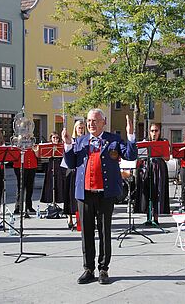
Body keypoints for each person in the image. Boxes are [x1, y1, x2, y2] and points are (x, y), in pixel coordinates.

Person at [63, 108, 137, 285]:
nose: (91, 124)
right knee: (86, 233)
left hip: (105, 194)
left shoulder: (113, 140)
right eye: (89, 120)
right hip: (85, 193)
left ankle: (103, 268)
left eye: (95, 120)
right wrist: (67, 145)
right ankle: (88, 269)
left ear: (104, 122)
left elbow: (131, 155)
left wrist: (131, 135)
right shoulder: (80, 141)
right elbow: (71, 163)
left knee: (104, 231)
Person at [135, 123, 170, 224]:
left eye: (156, 131)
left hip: (159, 168)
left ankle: (156, 218)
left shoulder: (163, 142)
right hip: (147, 167)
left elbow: (167, 158)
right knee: (147, 191)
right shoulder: (146, 142)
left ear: (159, 132)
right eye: (152, 131)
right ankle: (148, 217)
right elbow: (140, 156)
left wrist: (160, 152)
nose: (154, 133)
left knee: (158, 191)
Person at [63, 120, 86, 229]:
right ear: (75, 129)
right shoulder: (71, 140)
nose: (81, 130)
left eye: (82, 127)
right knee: (70, 194)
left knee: (80, 196)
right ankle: (70, 217)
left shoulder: (86, 140)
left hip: (81, 171)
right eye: (79, 128)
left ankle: (80, 220)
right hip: (71, 171)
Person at [40, 132, 66, 209]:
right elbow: (43, 156)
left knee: (59, 184)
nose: (55, 139)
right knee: (50, 184)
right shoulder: (48, 147)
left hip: (60, 166)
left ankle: (58, 200)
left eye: (57, 138)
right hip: (51, 166)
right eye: (54, 137)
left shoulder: (61, 146)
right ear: (51, 138)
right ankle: (50, 201)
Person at [13, 144, 38, 215]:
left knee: (30, 187)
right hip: (20, 165)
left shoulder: (33, 142)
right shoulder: (18, 141)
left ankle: (29, 206)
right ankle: (18, 207)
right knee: (20, 187)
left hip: (32, 165)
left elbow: (38, 155)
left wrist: (35, 150)